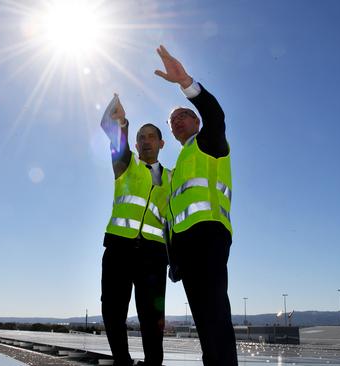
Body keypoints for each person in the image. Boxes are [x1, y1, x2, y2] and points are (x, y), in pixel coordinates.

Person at [154, 44, 238, 365]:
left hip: (210, 236)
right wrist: (172, 258)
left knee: (215, 314)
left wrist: (186, 83)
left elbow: (215, 115)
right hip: (186, 249)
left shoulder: (209, 144)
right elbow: (171, 218)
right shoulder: (178, 168)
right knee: (204, 322)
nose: (176, 122)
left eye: (183, 116)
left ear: (196, 122)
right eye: (172, 120)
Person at [100, 94, 171, 366]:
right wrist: (122, 121)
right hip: (119, 248)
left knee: (152, 318)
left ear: (161, 143)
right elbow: (109, 127)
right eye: (140, 137)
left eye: (151, 136)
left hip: (154, 256)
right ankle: (122, 360)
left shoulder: (173, 178)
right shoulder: (125, 165)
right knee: (113, 309)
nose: (145, 140)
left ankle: (153, 364)